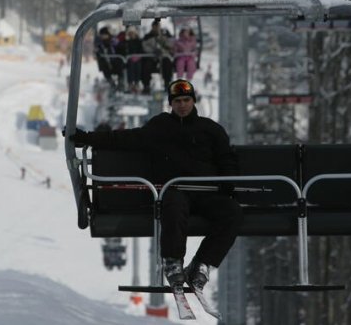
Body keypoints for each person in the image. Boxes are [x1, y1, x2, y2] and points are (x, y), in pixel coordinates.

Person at [68, 79, 242, 290]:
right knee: (174, 206)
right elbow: (126, 138)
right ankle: (173, 262)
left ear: (193, 101)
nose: (182, 105)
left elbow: (226, 158)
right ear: (171, 103)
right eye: (177, 101)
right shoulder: (161, 127)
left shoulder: (210, 129)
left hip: (207, 193)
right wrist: (88, 138)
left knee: (232, 211)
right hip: (174, 190)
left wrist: (229, 182)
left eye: (186, 100)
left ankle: (203, 263)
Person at [141, 19, 174, 93]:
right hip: (152, 57)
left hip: (163, 56)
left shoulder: (165, 35)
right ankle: (146, 85)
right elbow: (145, 46)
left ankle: (167, 83)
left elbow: (170, 45)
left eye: (157, 26)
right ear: (152, 27)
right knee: (146, 65)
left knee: (167, 63)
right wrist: (153, 51)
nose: (156, 28)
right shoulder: (147, 36)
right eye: (155, 27)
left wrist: (163, 46)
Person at [119, 26, 145, 93]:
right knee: (130, 67)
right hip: (128, 60)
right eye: (130, 33)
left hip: (138, 59)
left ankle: (137, 83)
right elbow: (123, 50)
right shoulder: (126, 42)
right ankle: (130, 83)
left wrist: (137, 56)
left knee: (138, 67)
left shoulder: (139, 41)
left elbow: (141, 50)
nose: (131, 35)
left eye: (132, 33)